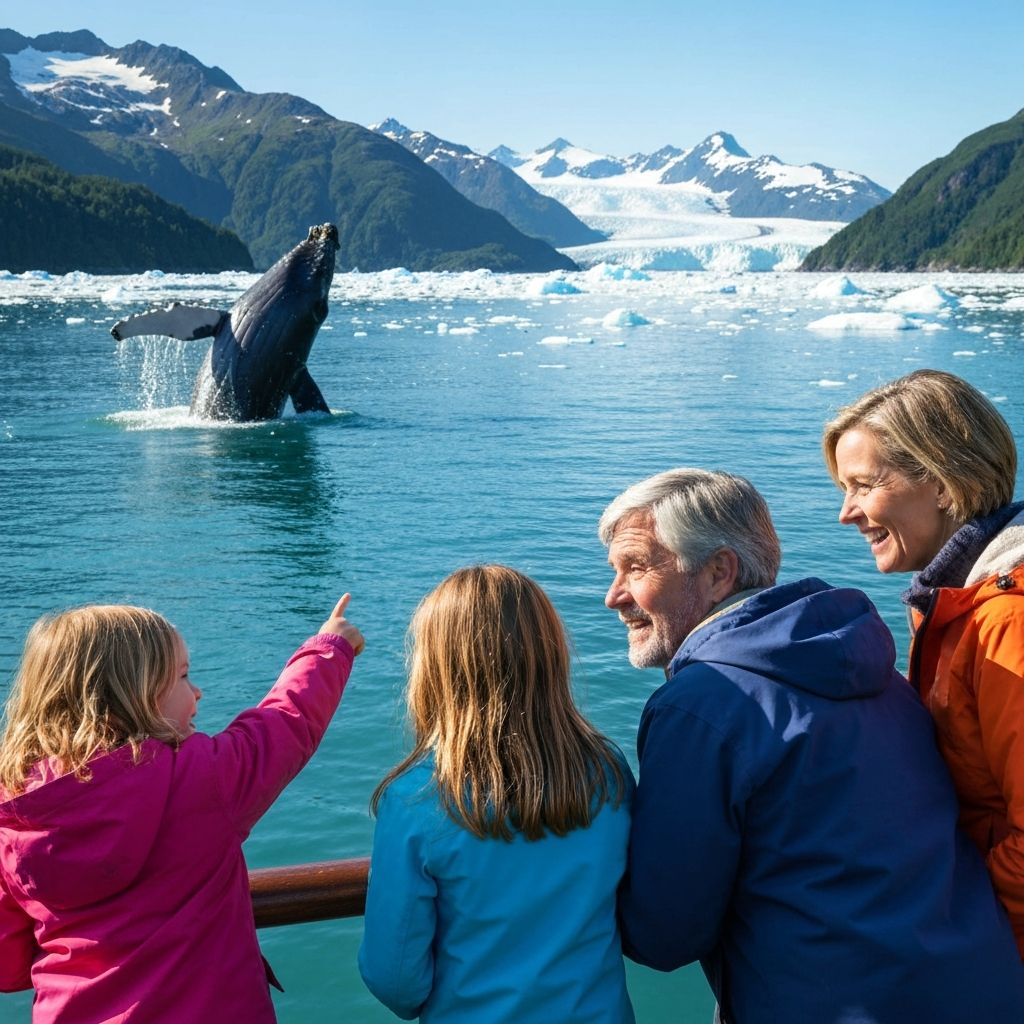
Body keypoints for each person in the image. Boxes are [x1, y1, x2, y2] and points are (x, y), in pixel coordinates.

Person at [600, 468, 1024, 1024]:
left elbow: (665, 932)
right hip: (982, 986)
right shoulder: (874, 666)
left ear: (718, 572)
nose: (614, 596)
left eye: (636, 567)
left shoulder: (703, 706)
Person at [0, 596, 364, 1023]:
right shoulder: (201, 780)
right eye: (184, 676)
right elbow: (285, 723)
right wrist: (328, 648)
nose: (197, 691)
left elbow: (8, 962)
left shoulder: (15, 813)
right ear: (136, 695)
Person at [358, 565, 635, 1023]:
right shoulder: (607, 772)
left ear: (435, 669)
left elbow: (396, 980)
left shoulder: (415, 800)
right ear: (551, 655)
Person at [824, 367, 1024, 956]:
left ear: (940, 483)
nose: (846, 512)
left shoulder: (1005, 621)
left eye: (863, 485)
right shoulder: (963, 600)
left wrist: (954, 917)